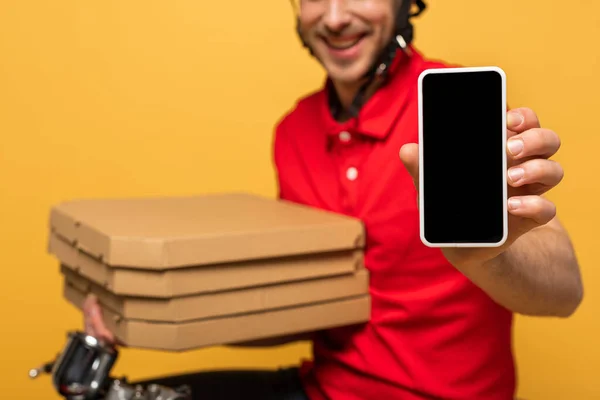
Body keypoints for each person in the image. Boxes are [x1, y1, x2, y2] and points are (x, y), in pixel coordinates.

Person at [83, 0, 584, 399]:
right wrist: (144, 318)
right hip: (322, 388)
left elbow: (565, 292)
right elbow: (309, 310)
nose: (336, 15)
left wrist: (489, 256)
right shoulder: (292, 131)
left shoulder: (458, 108)